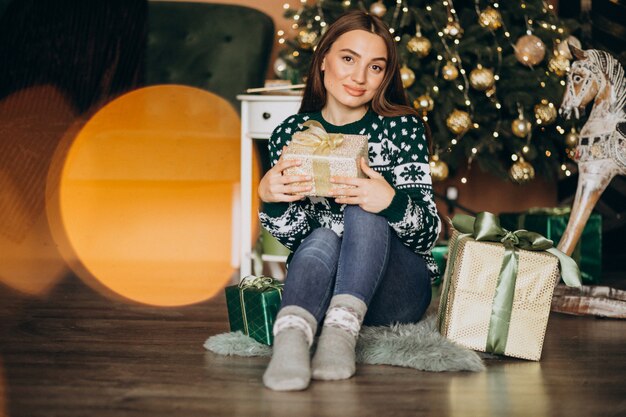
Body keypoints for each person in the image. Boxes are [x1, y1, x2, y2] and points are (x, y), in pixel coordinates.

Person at [257, 10, 441, 391]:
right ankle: (291, 341)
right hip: (323, 285)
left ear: (385, 76)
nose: (359, 77)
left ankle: (340, 336)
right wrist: (271, 199)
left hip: (397, 289)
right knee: (323, 237)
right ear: (323, 58)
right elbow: (299, 240)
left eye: (375, 67)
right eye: (348, 59)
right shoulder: (293, 133)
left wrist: (389, 201)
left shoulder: (401, 127)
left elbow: (428, 236)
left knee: (363, 203)